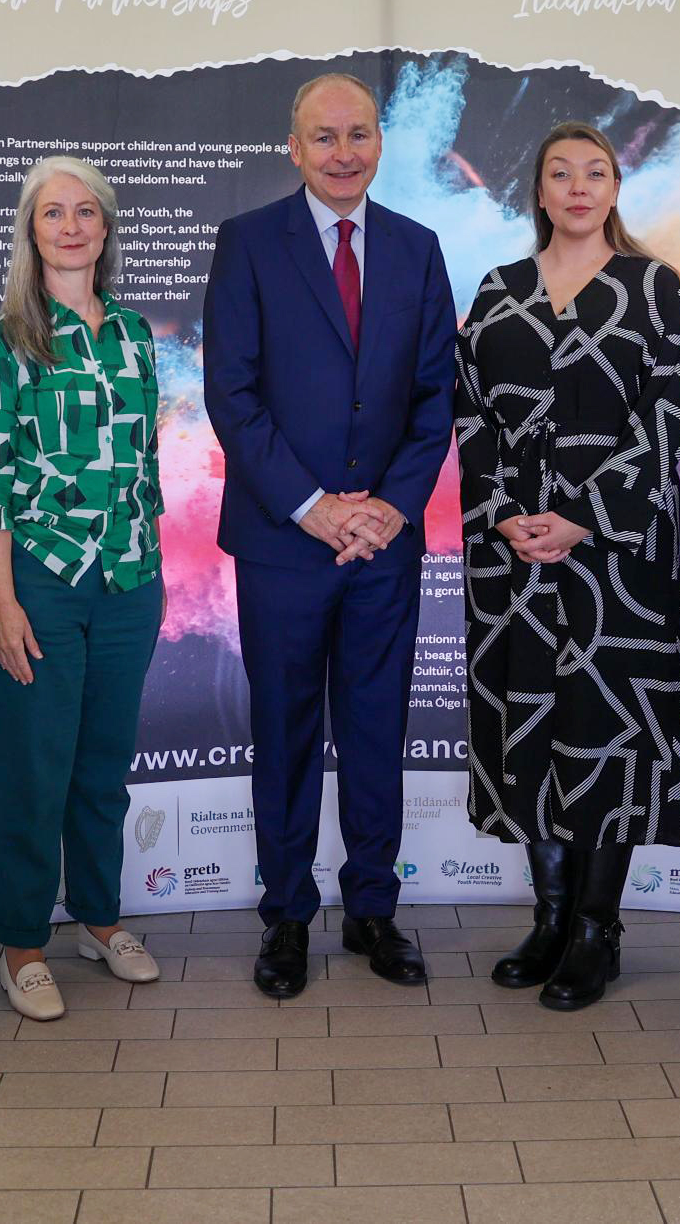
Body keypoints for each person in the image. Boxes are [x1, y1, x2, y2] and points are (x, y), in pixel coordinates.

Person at [204, 73, 458, 999]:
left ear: (379, 142)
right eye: (324, 137)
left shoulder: (416, 249)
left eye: (357, 134)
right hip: (284, 541)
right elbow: (230, 393)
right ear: (294, 146)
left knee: (374, 728)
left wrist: (387, 506)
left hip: (383, 545)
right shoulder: (246, 245)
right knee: (284, 730)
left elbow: (437, 397)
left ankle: (372, 911)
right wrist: (313, 506)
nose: (342, 151)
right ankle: (284, 917)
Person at [455, 120, 680, 1011]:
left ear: (614, 186)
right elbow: (469, 412)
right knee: (527, 728)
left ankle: (598, 930)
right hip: (512, 552)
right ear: (540, 190)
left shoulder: (651, 286)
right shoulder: (498, 291)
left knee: (607, 734)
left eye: (595, 171)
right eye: (560, 172)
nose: (579, 187)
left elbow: (667, 415)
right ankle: (549, 916)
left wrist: (585, 520)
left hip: (614, 558)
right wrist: (510, 517)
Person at [0, 155, 165, 1022]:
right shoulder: (2, 343)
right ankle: (18, 941)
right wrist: (2, 602)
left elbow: (144, 460)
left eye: (87, 211)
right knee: (33, 770)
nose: (72, 225)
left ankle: (99, 916)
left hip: (128, 580)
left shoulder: (133, 333)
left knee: (102, 767)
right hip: (36, 581)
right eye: (54, 213)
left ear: (106, 228)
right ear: (30, 230)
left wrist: (150, 562)